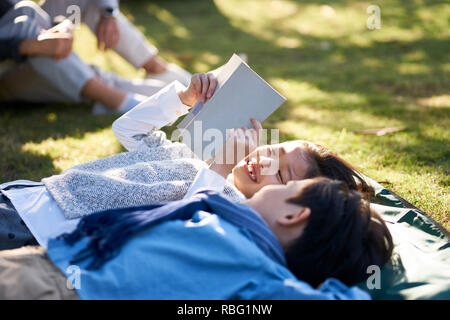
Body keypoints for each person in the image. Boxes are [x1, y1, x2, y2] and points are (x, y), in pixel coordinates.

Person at [0, 73, 374, 254]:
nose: (262, 159)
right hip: (31, 195)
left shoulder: (231, 209)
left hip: (41, 230)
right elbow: (128, 129)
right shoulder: (196, 158)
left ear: (292, 197)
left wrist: (221, 170)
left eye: (280, 172)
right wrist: (182, 97)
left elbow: (186, 222)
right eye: (271, 149)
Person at [0, 177, 393, 299]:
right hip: (51, 262)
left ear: (293, 214)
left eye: (287, 182)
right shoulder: (222, 222)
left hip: (52, 288)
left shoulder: (261, 277)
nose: (278, 182)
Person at [0, 1, 182, 113]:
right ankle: (117, 101)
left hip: (31, 47)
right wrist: (28, 45)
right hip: (7, 71)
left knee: (28, 11)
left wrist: (62, 25)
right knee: (26, 27)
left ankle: (159, 71)